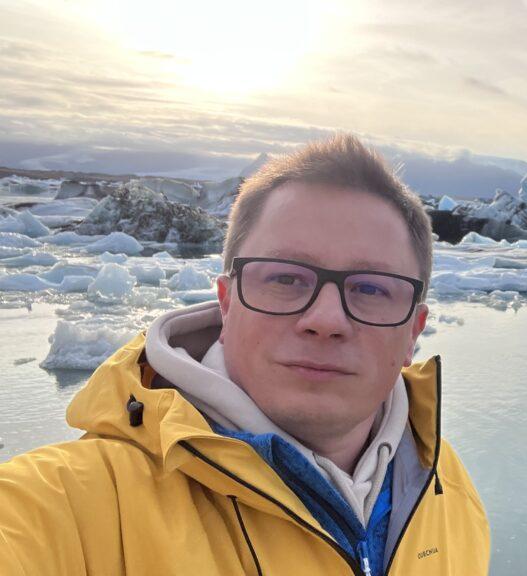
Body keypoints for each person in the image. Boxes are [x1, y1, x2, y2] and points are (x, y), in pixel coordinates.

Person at [0, 134, 490, 575]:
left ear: (413, 333)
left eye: (371, 288)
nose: (326, 320)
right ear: (227, 302)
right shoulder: (72, 506)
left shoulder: (445, 488)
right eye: (285, 277)